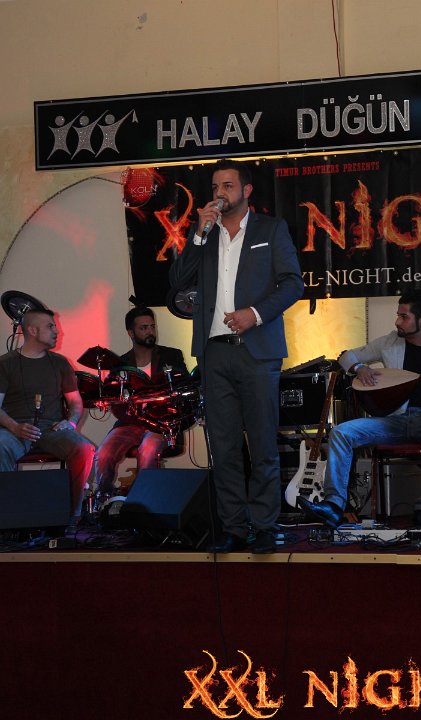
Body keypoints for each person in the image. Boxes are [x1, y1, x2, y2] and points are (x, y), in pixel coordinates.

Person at [169, 159, 304, 553]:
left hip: (257, 352)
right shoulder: (205, 235)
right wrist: (198, 234)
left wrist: (255, 314)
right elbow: (177, 282)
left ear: (246, 191)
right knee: (224, 446)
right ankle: (233, 527)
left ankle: (264, 525)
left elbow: (292, 284)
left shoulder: (271, 229)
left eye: (227, 186)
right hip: (214, 353)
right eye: (215, 187)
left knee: (262, 444)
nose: (219, 193)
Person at [298, 289, 421, 529]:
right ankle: (333, 504)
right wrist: (360, 368)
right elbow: (346, 356)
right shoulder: (389, 343)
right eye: (398, 315)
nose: (397, 322)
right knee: (341, 433)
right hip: (394, 419)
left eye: (404, 317)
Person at [0, 309, 95, 526]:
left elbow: (75, 402)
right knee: (0, 446)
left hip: (52, 430)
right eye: (50, 326)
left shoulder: (61, 363)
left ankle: (72, 515)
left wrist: (71, 422)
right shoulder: (5, 363)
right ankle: (7, 519)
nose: (57, 331)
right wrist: (15, 427)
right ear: (32, 330)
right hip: (15, 430)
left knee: (85, 449)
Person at [94, 306, 188, 505]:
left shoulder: (172, 356)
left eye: (152, 327)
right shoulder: (120, 363)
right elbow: (115, 402)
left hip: (161, 423)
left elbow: (184, 388)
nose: (150, 332)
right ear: (131, 333)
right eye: (144, 328)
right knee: (103, 454)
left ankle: (145, 503)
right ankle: (105, 501)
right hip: (130, 423)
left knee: (148, 450)